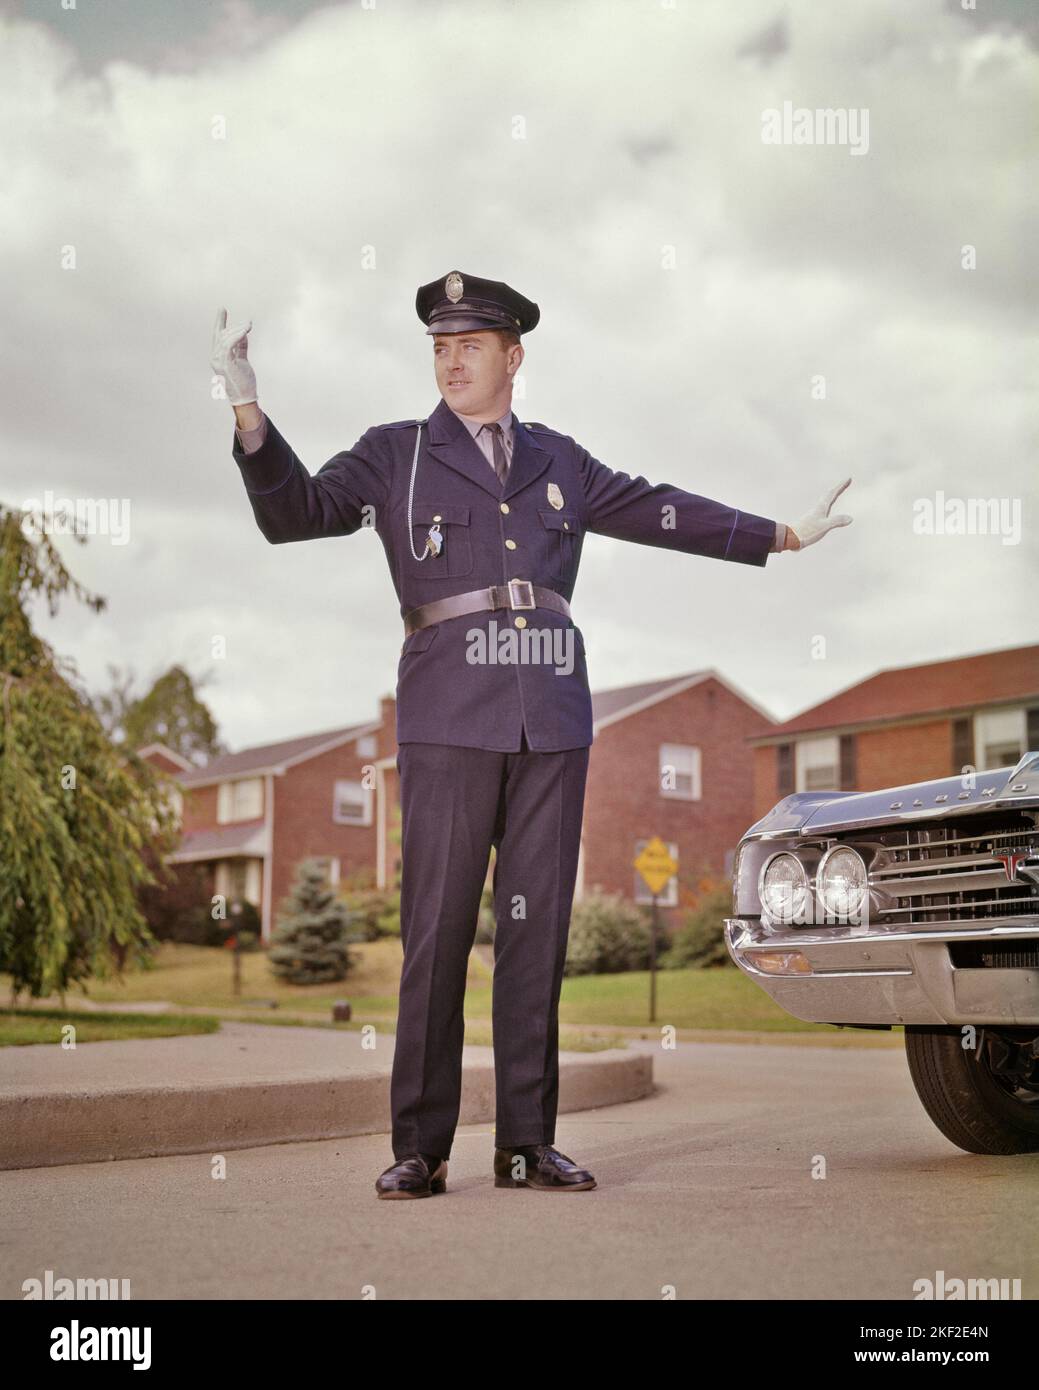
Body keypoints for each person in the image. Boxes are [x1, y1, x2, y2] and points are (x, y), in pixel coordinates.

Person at [210, 271, 852, 1198]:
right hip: (445, 719)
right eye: (439, 346)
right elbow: (294, 514)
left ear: (513, 356)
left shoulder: (560, 461)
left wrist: (781, 534)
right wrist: (246, 408)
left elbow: (658, 508)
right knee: (435, 932)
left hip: (550, 714)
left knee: (535, 932)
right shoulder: (397, 454)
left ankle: (524, 1145)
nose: (450, 361)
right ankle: (419, 1149)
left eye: (470, 345)